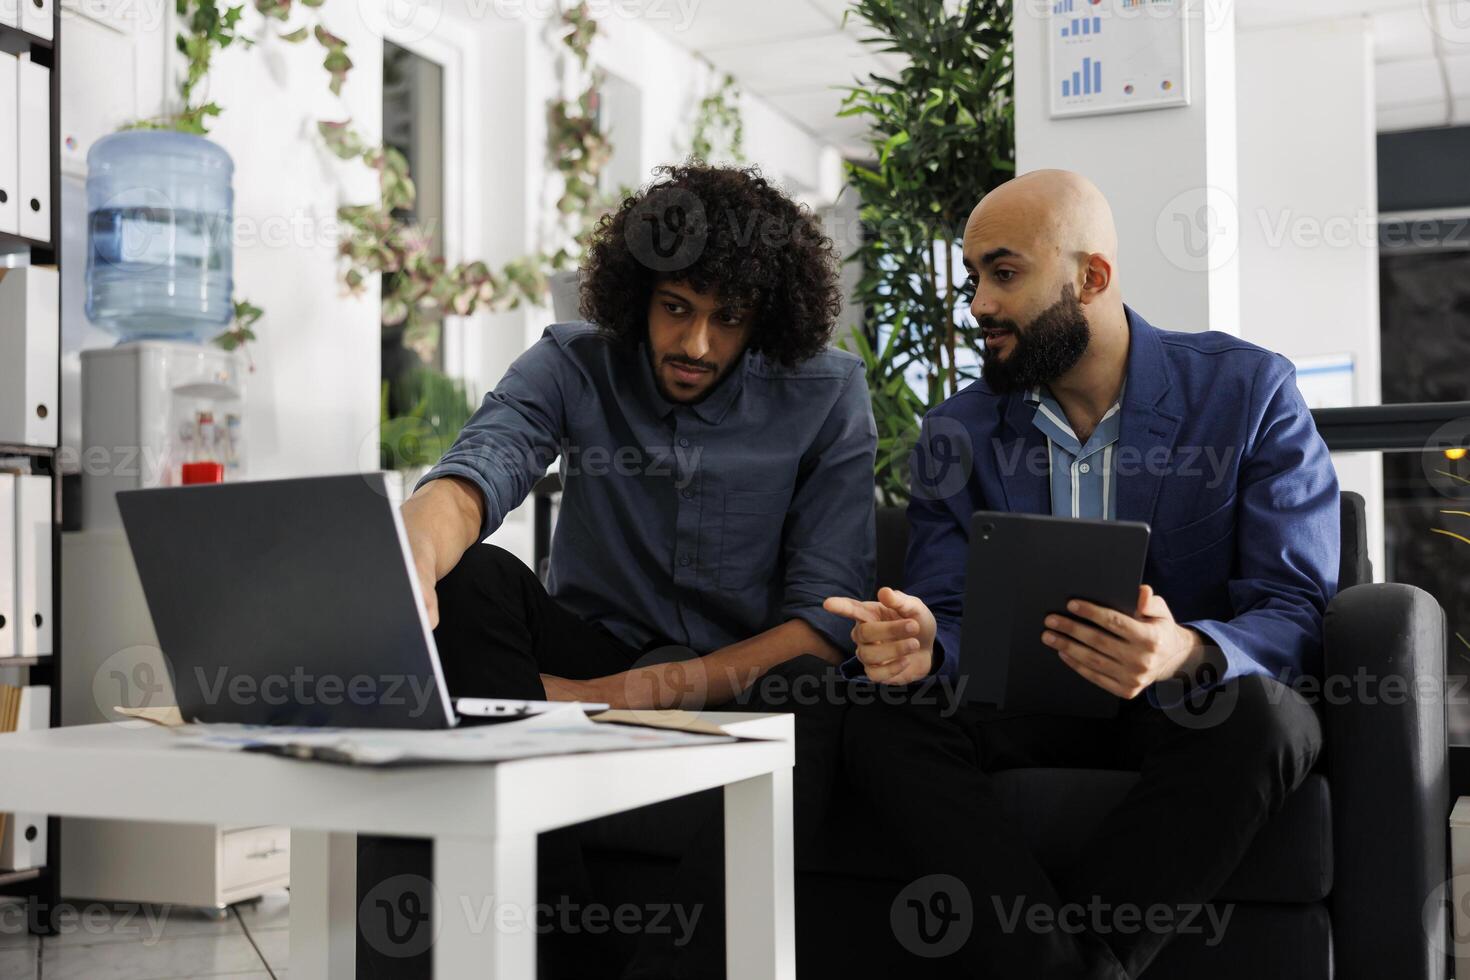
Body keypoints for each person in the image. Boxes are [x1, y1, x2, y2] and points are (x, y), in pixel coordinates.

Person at [359, 162, 876, 978]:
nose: (696, 343)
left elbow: (822, 625)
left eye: (727, 319)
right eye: (676, 310)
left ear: (765, 320)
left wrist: (639, 694)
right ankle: (558, 944)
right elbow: (484, 463)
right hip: (595, 644)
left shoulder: (829, 393)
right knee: (473, 580)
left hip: (745, 677)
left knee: (815, 689)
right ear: (638, 297)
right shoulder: (575, 360)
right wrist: (418, 543)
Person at [824, 169, 1337, 978]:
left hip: (1180, 703)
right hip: (1021, 703)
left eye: (1004, 273)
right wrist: (929, 642)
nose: (978, 305)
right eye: (973, 279)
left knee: (1267, 720)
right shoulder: (960, 428)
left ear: (1090, 277)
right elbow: (950, 609)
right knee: (881, 718)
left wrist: (1184, 650)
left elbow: (1296, 606)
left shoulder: (1246, 392)